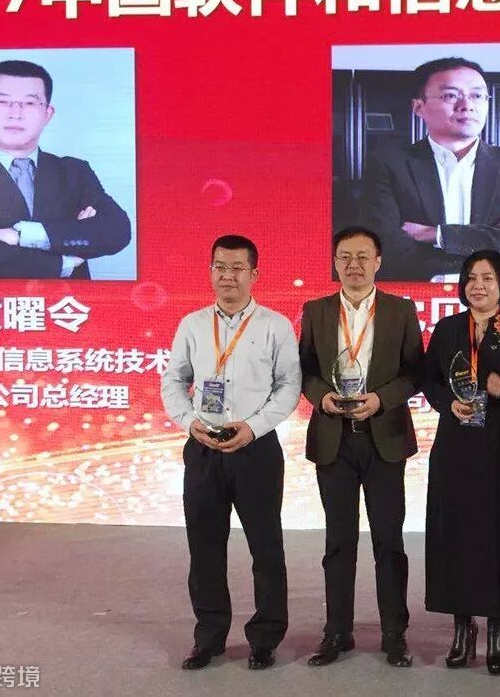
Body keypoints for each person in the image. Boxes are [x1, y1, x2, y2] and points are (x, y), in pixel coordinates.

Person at [160, 234, 301, 672]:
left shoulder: (276, 325)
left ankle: (266, 637)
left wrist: (253, 427)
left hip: (255, 447)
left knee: (266, 547)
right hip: (203, 446)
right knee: (204, 547)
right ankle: (209, 636)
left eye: (238, 268)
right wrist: (190, 423)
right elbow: (173, 380)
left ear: (254, 274)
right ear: (210, 272)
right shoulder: (192, 324)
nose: (228, 276)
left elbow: (289, 387)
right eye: (220, 267)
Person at [299, 226, 424, 668]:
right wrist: (322, 397)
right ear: (335, 263)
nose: (353, 265)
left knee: (389, 540)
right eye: (344, 257)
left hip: (384, 438)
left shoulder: (400, 310)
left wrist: (381, 400)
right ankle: (337, 631)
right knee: (339, 540)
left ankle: (394, 633)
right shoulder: (315, 311)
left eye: (362, 256)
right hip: (333, 439)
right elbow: (305, 371)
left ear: (378, 262)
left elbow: (414, 372)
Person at [421, 249, 500, 675]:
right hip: (456, 443)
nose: (478, 285)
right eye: (471, 278)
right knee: (455, 533)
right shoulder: (448, 328)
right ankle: (462, 627)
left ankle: (496, 630)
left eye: (487, 278)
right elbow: (429, 379)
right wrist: (447, 403)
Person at [0, 59, 131, 279]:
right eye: (3, 101)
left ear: (48, 114)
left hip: (66, 299)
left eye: (30, 103)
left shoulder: (74, 171)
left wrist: (25, 235)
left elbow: (116, 231)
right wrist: (65, 261)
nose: (15, 113)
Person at [360, 57, 500, 282]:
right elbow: (386, 248)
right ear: (418, 107)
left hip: (499, 295)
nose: (467, 105)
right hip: (418, 297)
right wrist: (494, 243)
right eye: (450, 96)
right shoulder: (388, 164)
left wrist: (437, 234)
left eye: (477, 96)